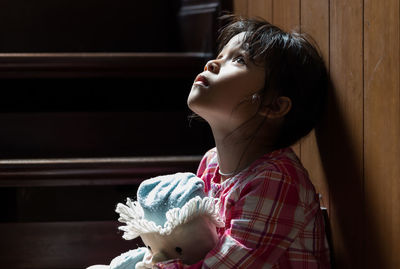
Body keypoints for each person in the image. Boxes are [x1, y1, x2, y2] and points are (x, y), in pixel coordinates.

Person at [153, 14, 331, 269]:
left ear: (274, 106)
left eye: (238, 59)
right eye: (221, 54)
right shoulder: (211, 163)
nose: (212, 63)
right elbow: (192, 247)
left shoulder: (276, 180)